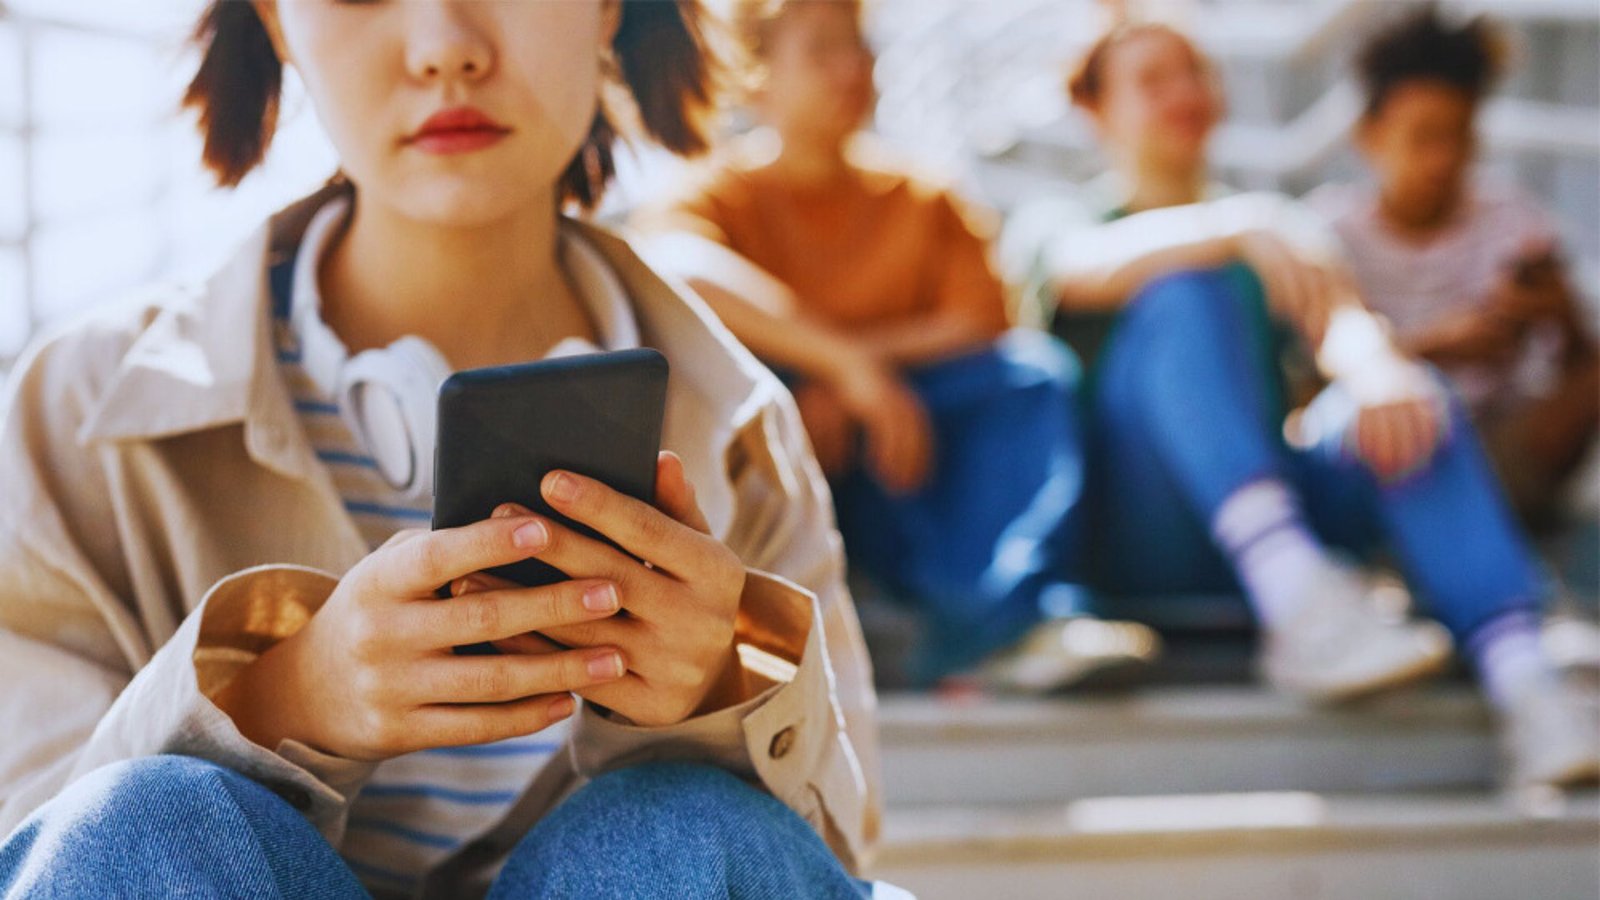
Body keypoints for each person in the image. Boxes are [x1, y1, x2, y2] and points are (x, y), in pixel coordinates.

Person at [0, 2, 889, 897]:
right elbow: (36, 848)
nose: (445, 49)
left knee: (687, 831)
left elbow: (837, 857)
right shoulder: (72, 415)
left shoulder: (740, 428)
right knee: (151, 823)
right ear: (274, 19)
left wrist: (717, 699)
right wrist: (277, 703)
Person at [1000, 20, 1598, 787]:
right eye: (1153, 80)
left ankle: (1527, 687)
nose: (1184, 93)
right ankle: (1300, 598)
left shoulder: (1277, 225)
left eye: (1195, 73)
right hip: (1144, 530)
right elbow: (1077, 269)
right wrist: (1231, 229)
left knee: (1410, 400)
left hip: (1279, 517)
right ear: (1095, 111)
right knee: (1184, 294)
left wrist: (1380, 369)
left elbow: (1341, 323)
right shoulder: (1066, 221)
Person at [635, 0, 1159, 692]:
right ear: (756, 79)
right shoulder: (714, 193)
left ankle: (1017, 622)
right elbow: (676, 268)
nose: (852, 68)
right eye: (821, 51)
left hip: (911, 460)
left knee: (1029, 378)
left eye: (860, 48)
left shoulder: (924, 195)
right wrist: (840, 367)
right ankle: (743, 636)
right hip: (785, 461)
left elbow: (982, 321)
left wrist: (862, 378)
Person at [1307, 4, 1598, 530]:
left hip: (1500, 450)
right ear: (1369, 135)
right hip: (1382, 447)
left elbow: (1578, 366)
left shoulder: (1514, 222)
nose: (1443, 159)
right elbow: (1305, 387)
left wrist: (1560, 314)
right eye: (1422, 137)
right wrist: (1435, 346)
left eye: (1458, 136)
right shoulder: (1325, 233)